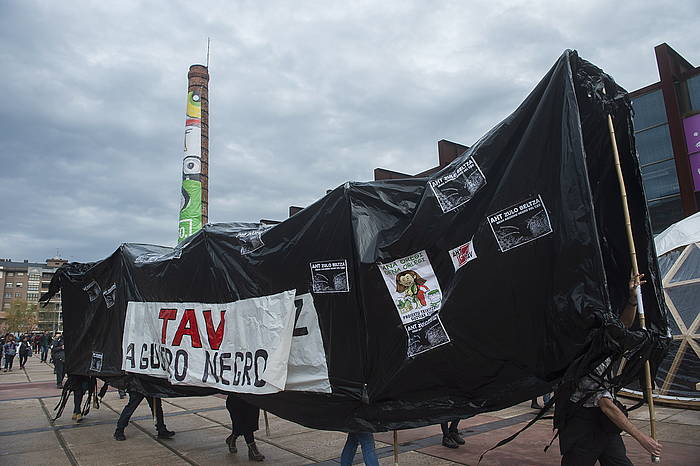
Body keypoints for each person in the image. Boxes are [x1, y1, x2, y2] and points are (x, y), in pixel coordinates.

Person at [559, 274, 663, 465]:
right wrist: (643, 439)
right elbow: (605, 404)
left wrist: (632, 300)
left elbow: (621, 327)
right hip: (584, 427)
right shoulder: (585, 356)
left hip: (604, 427)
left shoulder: (602, 342)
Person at [225, 394, 265, 461]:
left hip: (252, 398)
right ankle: (252, 449)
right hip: (236, 399)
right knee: (244, 423)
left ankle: (232, 438)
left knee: (248, 422)